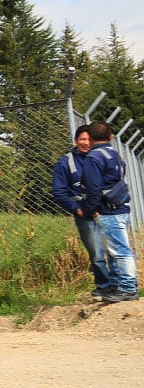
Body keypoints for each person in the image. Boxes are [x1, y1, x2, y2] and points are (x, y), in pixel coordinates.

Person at [79, 121, 138, 303]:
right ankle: (116, 285)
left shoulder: (93, 157)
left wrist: (91, 210)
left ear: (91, 138)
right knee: (114, 250)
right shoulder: (114, 154)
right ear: (111, 137)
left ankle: (128, 288)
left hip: (108, 211)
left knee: (119, 250)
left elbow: (94, 189)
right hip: (120, 206)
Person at [53, 125, 112, 301]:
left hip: (106, 211)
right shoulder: (65, 163)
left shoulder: (102, 157)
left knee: (114, 249)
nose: (86, 143)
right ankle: (104, 287)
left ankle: (120, 286)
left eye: (89, 139)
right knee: (96, 253)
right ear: (76, 141)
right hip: (84, 214)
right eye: (82, 139)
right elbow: (59, 192)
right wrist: (77, 209)